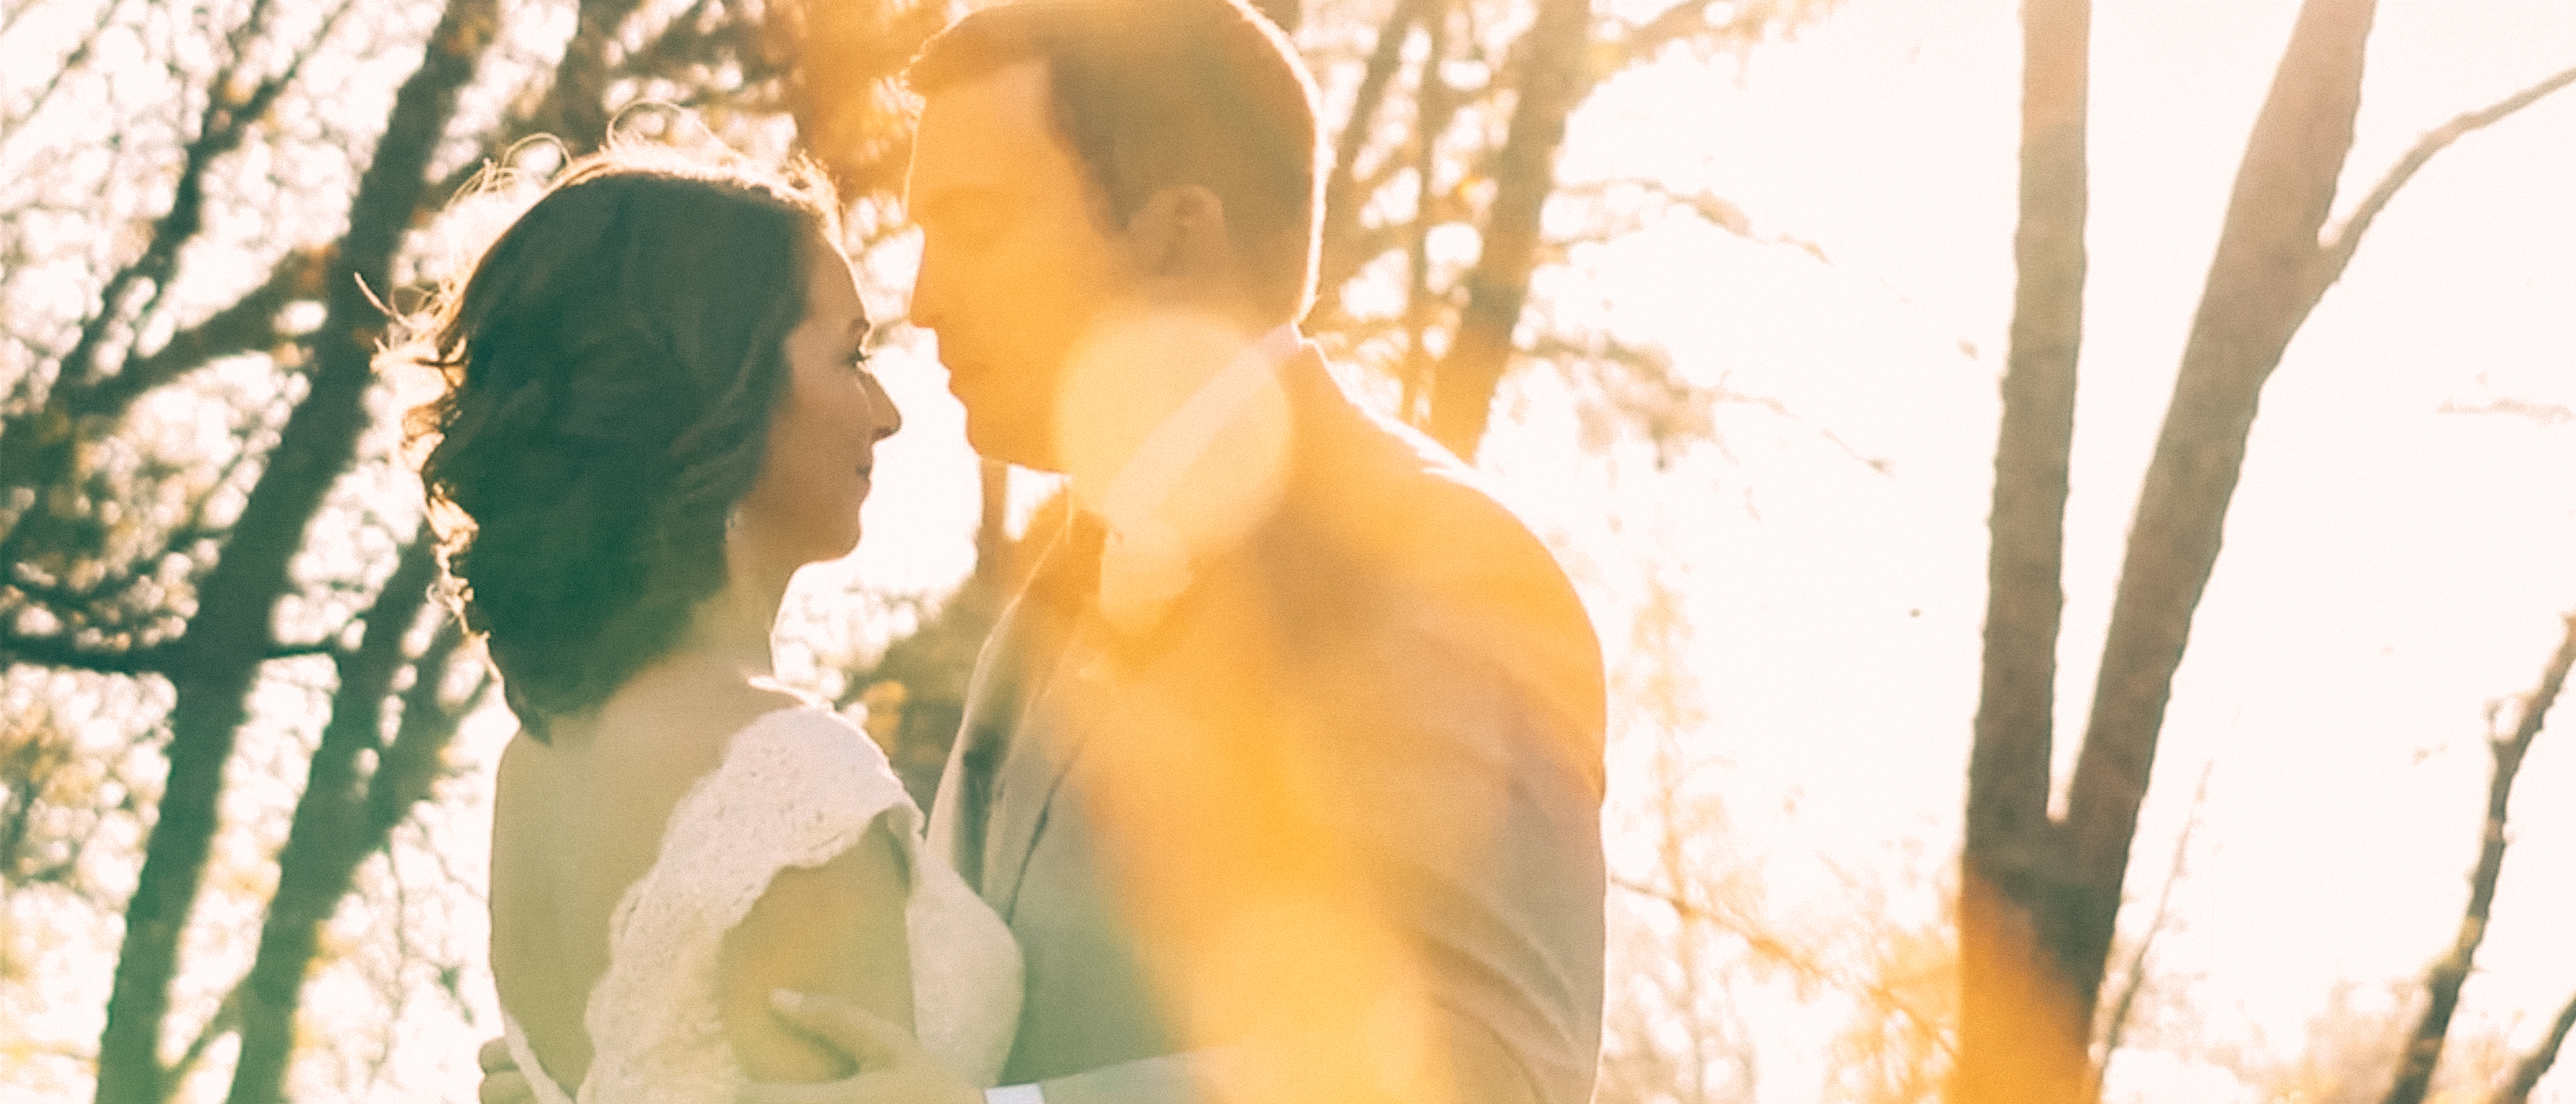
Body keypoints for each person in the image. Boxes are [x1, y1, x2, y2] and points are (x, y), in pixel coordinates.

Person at [748, 1, 1611, 1101]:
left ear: (1177, 228)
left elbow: (1489, 1066)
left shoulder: (1436, 561)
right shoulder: (1050, 596)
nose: (922, 300)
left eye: (977, 227)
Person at [411, 146, 1021, 1104]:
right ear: (725, 386)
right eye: (850, 356)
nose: (889, 412)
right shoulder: (786, 781)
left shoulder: (539, 764)